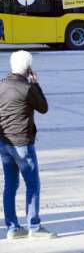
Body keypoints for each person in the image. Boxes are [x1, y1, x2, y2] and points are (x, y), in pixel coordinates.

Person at [0, 51, 56, 239]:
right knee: (32, 185)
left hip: (4, 143)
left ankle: (12, 228)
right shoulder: (27, 88)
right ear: (28, 69)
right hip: (22, 143)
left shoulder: (1, 85)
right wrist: (36, 83)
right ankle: (34, 226)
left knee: (10, 185)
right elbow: (44, 108)